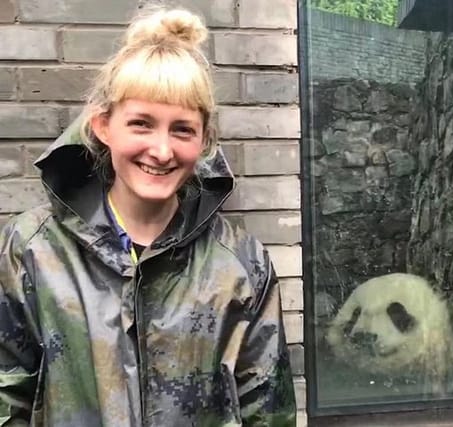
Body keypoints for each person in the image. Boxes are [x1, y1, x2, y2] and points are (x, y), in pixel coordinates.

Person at [0, 7, 296, 426]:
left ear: (204, 140)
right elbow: (7, 397)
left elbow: (268, 412)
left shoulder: (243, 266)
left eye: (182, 130)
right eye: (141, 124)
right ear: (103, 126)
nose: (161, 150)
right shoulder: (30, 250)